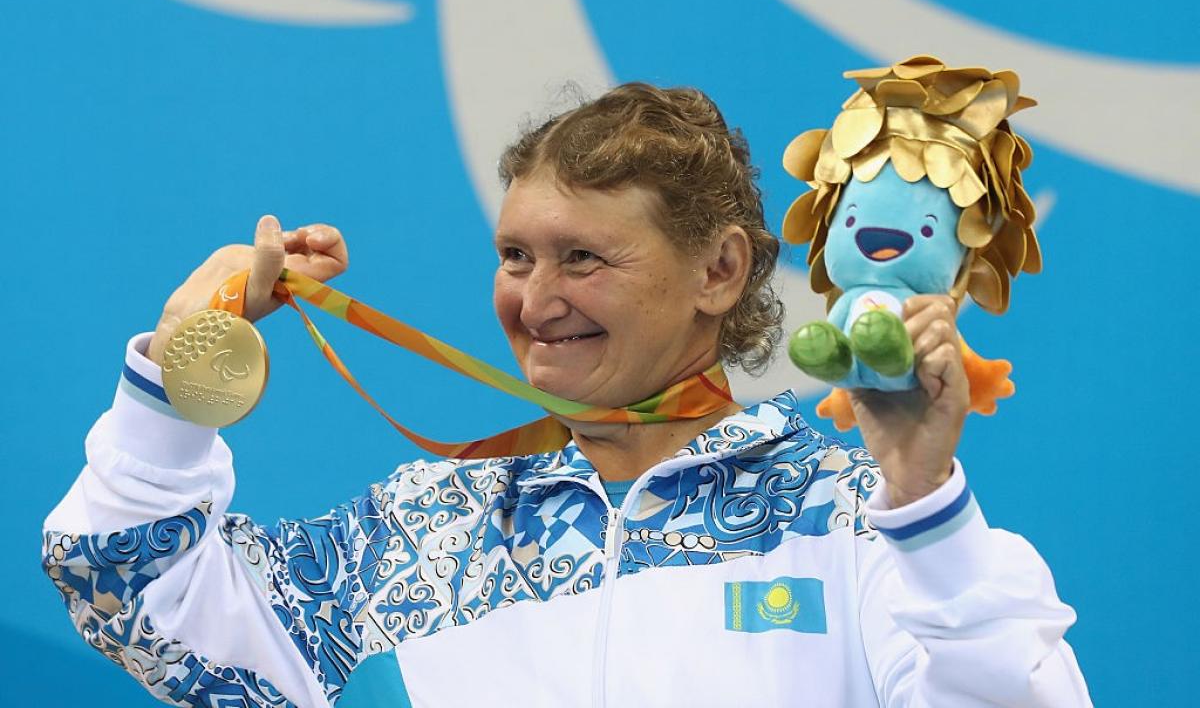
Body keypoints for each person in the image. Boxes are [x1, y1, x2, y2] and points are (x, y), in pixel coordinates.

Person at [43, 83, 1091, 707]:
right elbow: (127, 589)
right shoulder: (427, 525)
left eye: (583, 257)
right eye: (514, 254)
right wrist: (180, 366)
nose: (536, 299)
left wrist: (923, 497)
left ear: (720, 271)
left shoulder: (848, 513)